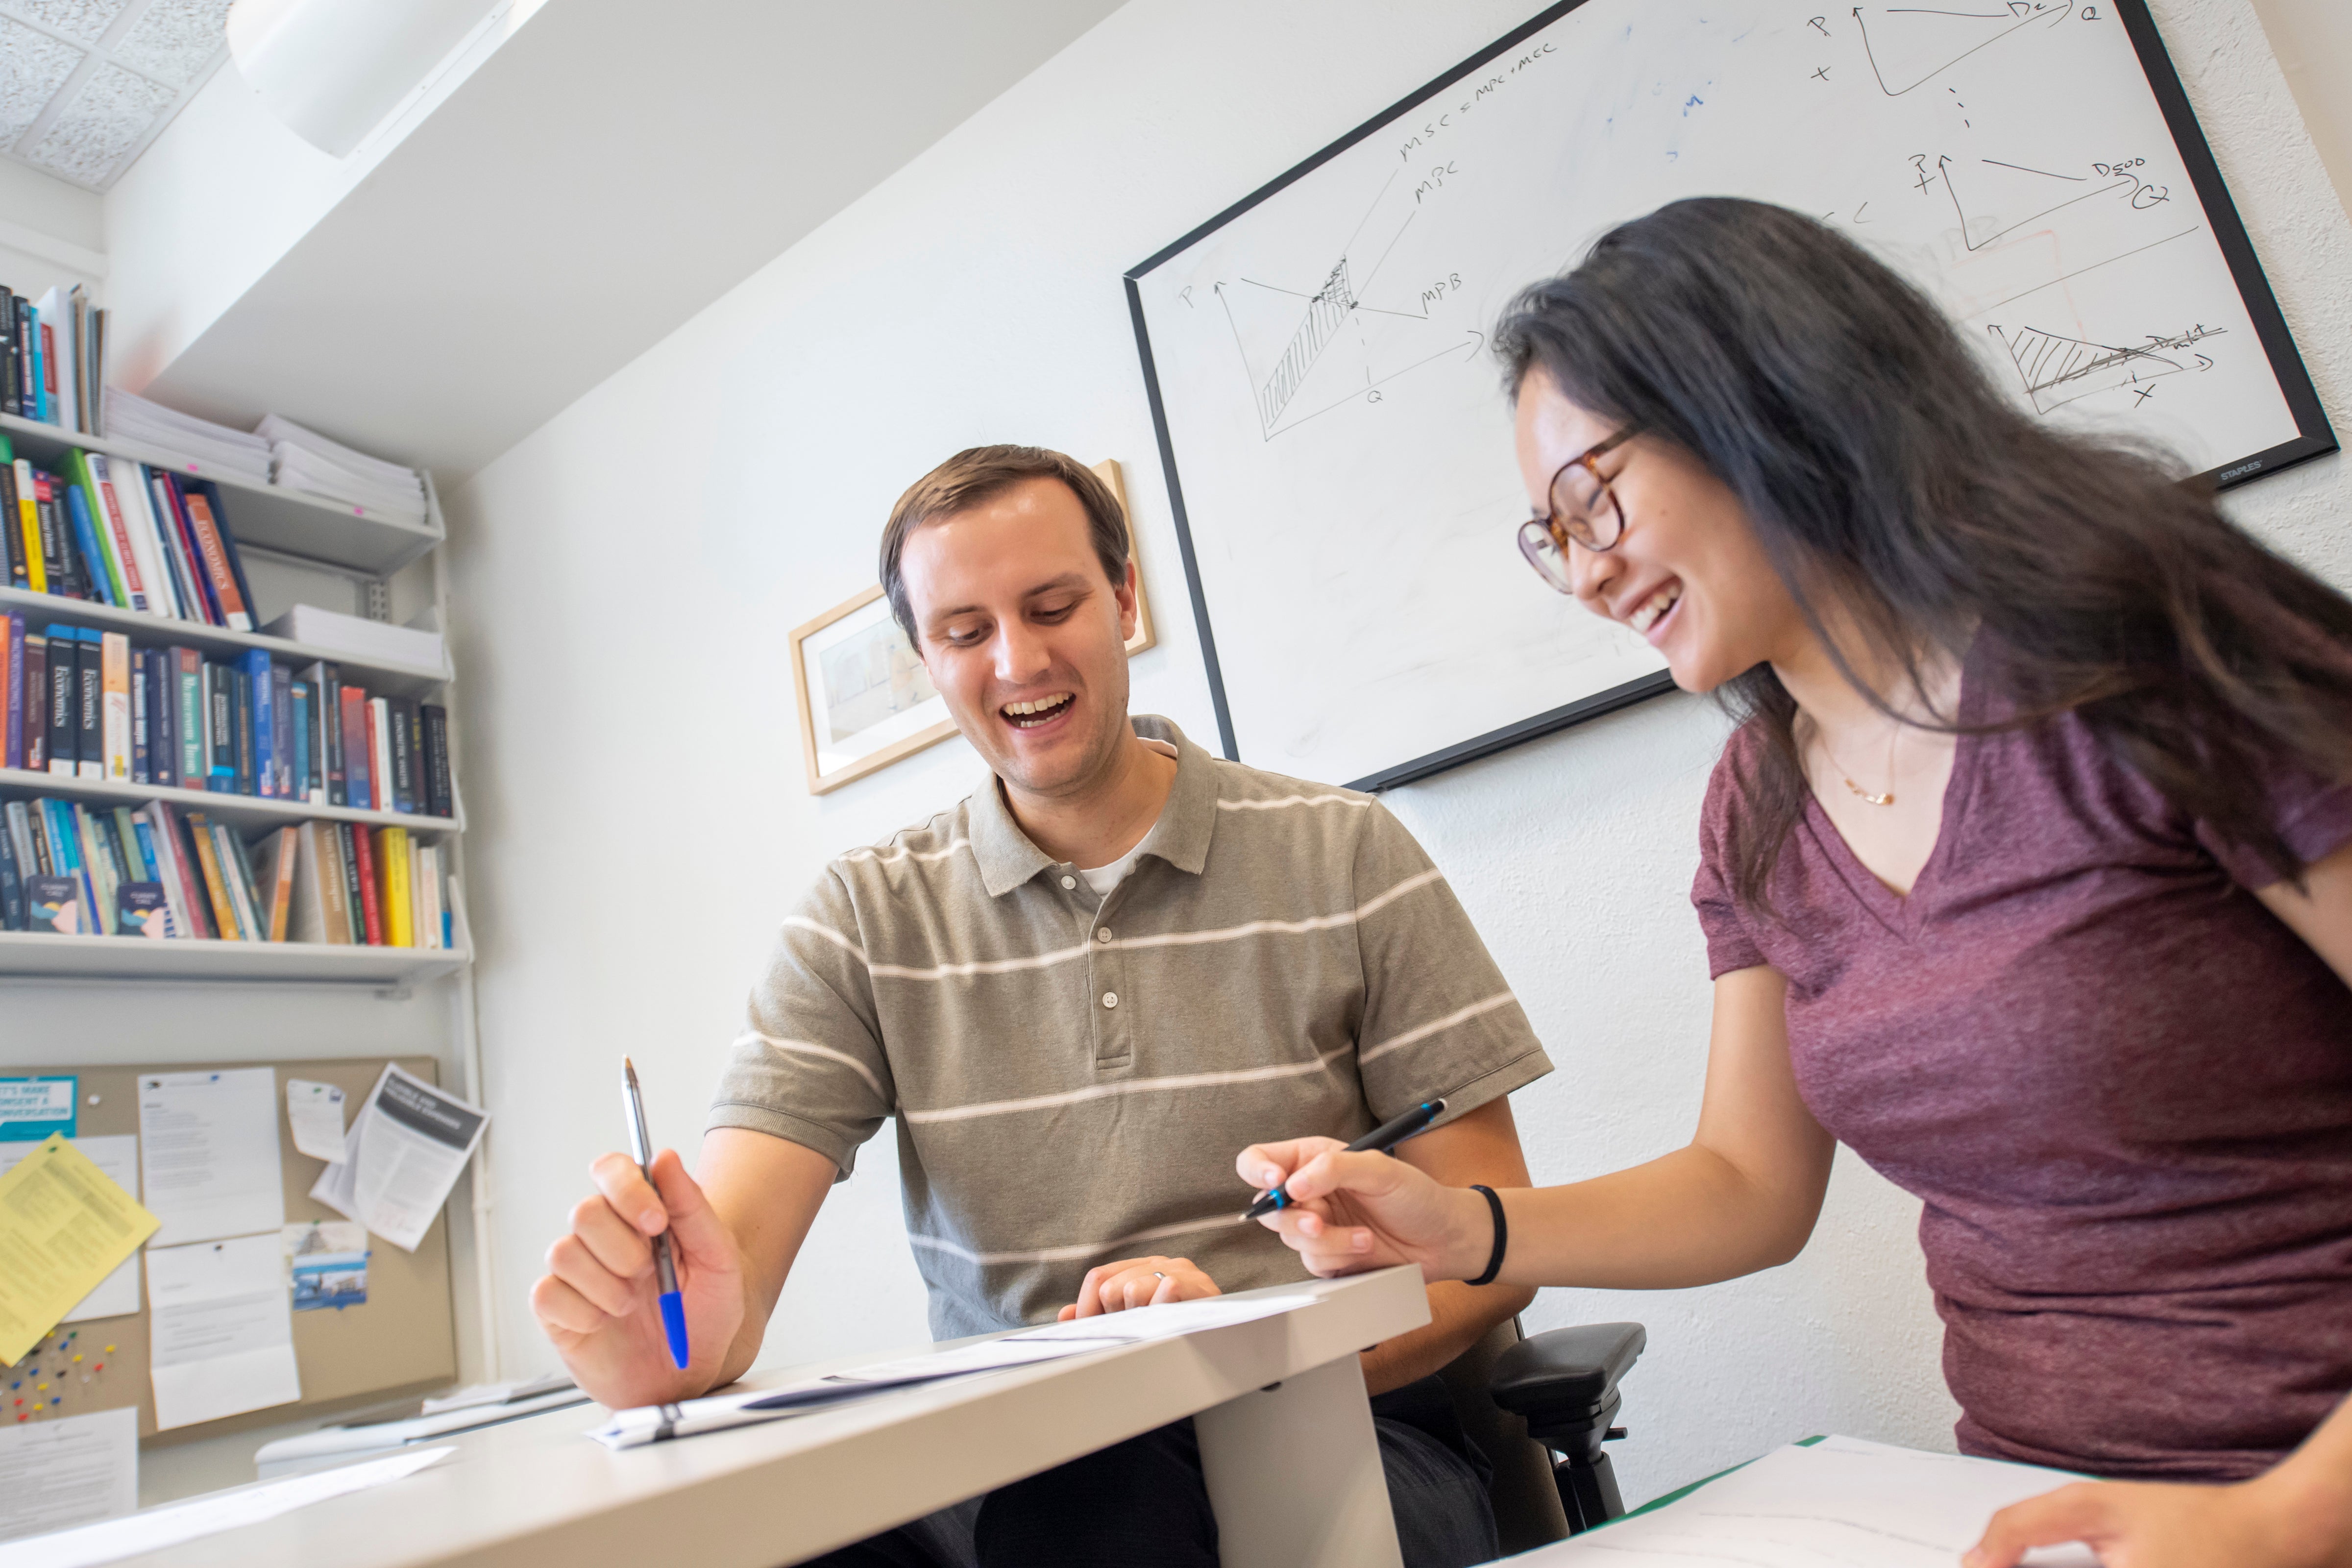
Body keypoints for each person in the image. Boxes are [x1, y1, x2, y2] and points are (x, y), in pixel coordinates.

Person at [1241, 198, 2352, 1568]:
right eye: (1551, 532)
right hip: (2034, 1512)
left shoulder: (2146, 644)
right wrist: (1461, 1225)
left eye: (1596, 498)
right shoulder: (1759, 805)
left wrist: (2288, 1518)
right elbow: (1748, 1184)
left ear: (1763, 398)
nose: (1586, 572)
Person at [531, 445, 1553, 1568]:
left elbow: (1494, 1242)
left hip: (1344, 1430)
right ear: (927, 658)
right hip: (1014, 1455)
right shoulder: (865, 917)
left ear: (1122, 598)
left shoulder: (1347, 851)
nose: (1018, 659)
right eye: (965, 632)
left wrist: (1234, 1344)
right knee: (759, 1538)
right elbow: (729, 1271)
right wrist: (674, 1341)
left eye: (1053, 604)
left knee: (1099, 1514)